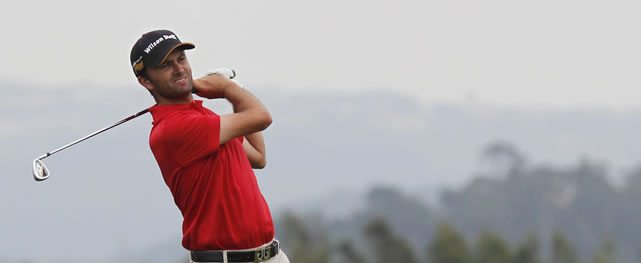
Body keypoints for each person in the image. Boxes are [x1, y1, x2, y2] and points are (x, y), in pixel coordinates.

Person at [130, 29, 289, 263]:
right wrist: (226, 89)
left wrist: (237, 90)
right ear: (145, 80)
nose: (179, 68)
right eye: (166, 65)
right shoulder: (175, 129)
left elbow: (258, 156)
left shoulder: (203, 117)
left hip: (270, 255)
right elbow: (262, 117)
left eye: (181, 59)